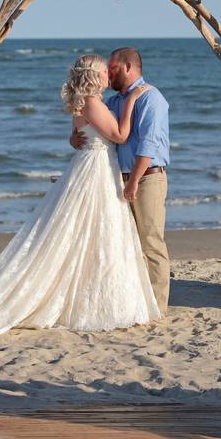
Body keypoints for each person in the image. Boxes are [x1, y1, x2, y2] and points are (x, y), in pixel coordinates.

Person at [0, 55, 159, 340]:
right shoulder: (92, 102)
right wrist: (130, 102)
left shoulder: (83, 103)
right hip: (97, 169)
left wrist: (74, 140)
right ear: (94, 76)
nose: (108, 75)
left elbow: (76, 135)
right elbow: (120, 135)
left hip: (92, 165)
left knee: (89, 232)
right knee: (96, 230)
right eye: (104, 71)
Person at [71, 47, 172, 314]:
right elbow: (95, 124)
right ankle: (137, 302)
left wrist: (134, 181)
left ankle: (158, 306)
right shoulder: (115, 101)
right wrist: (75, 136)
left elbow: (148, 145)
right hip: (117, 179)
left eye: (113, 69)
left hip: (146, 178)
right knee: (128, 243)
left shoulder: (151, 97)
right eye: (106, 70)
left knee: (151, 242)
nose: (109, 74)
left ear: (128, 67)